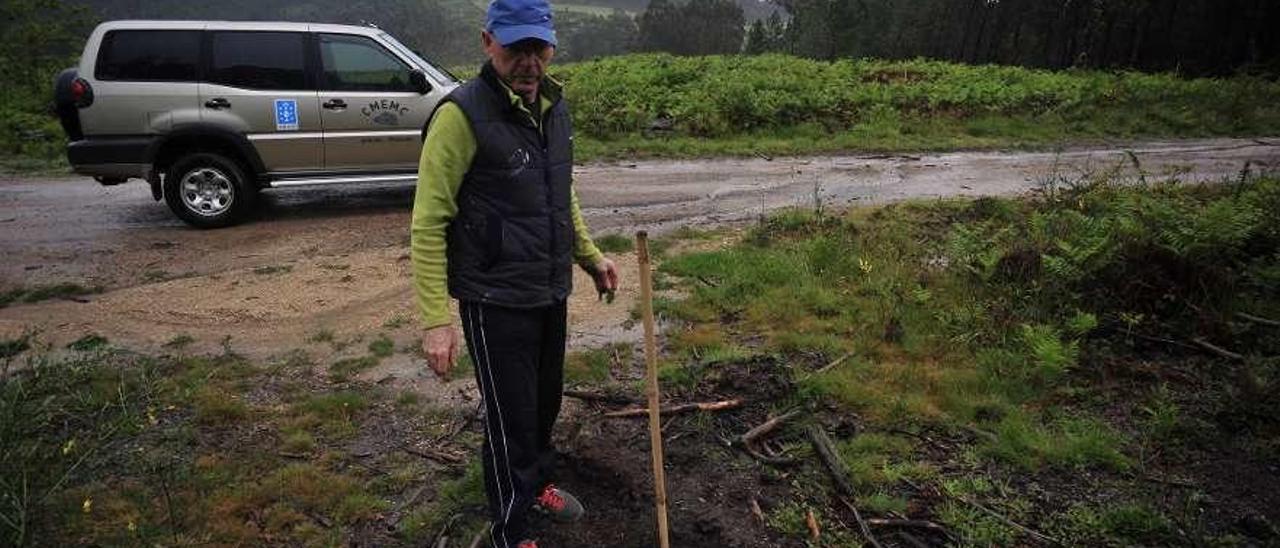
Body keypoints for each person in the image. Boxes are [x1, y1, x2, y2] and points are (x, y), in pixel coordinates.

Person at [409, 0, 620, 545]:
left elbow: (559, 194)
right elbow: (429, 223)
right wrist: (436, 319)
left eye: (537, 47)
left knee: (544, 402)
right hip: (494, 295)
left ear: (551, 44)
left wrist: (590, 257)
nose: (528, 61)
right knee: (509, 418)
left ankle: (536, 483)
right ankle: (512, 528)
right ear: (487, 43)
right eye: (515, 47)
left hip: (548, 286)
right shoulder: (461, 115)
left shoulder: (553, 106)